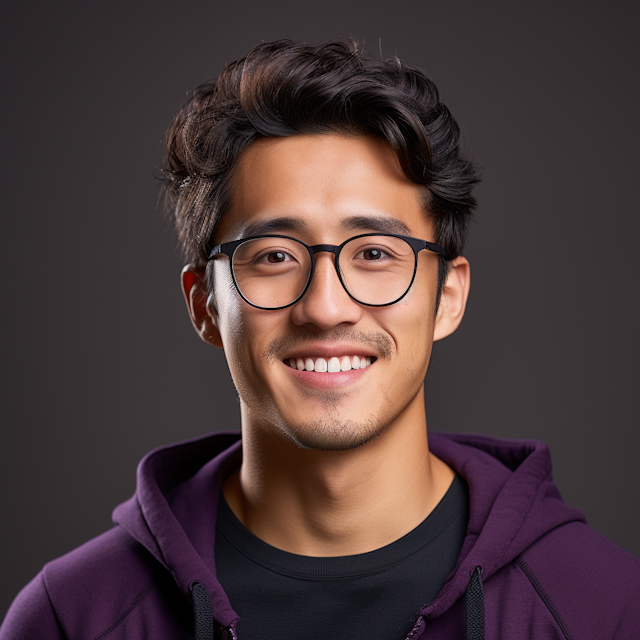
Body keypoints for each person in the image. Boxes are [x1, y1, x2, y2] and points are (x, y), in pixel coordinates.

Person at [2, 39, 639, 640]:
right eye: (275, 256)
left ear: (448, 296)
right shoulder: (75, 617)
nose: (325, 306)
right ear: (204, 304)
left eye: (375, 253)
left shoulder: (603, 609)